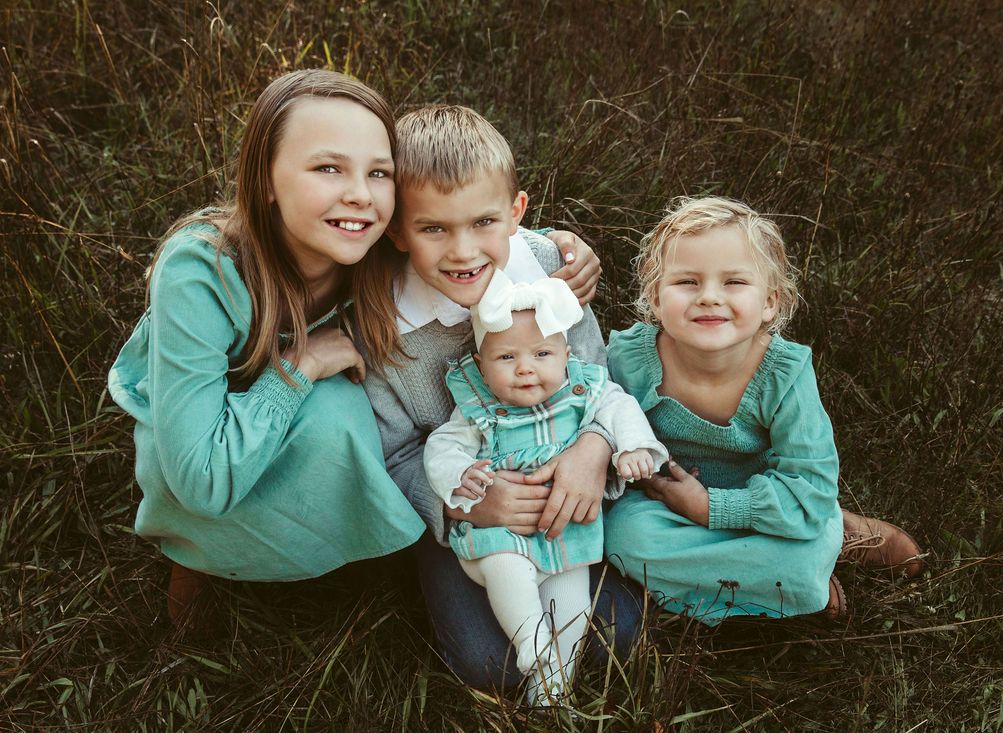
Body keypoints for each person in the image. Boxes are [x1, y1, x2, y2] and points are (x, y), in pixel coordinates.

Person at [107, 70, 426, 625]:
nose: (360, 193)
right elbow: (202, 478)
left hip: (280, 438)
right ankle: (202, 562)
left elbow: (471, 229)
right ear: (265, 182)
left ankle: (328, 558)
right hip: (200, 449)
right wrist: (300, 365)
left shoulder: (375, 245)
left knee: (348, 413)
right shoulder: (200, 271)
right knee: (329, 415)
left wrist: (556, 250)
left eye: (379, 173)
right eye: (329, 168)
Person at [361, 104, 646, 694]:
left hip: (561, 479)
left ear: (516, 213)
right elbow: (394, 455)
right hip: (470, 505)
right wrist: (465, 506)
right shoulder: (381, 324)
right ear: (396, 229)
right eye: (433, 228)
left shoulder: (546, 267)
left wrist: (594, 447)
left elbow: (592, 376)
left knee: (618, 635)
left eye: (483, 222)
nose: (464, 252)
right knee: (488, 664)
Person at [604, 196, 924, 624]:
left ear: (770, 302)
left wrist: (710, 508)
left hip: (761, 509)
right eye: (687, 282)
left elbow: (809, 484)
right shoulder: (629, 359)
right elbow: (594, 423)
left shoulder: (783, 374)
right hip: (665, 507)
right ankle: (790, 582)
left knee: (808, 530)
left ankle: (833, 537)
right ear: (655, 299)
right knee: (623, 537)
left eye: (734, 282)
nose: (709, 298)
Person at [423, 272, 668, 703]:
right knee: (509, 574)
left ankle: (551, 686)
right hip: (499, 535)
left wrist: (631, 448)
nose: (525, 368)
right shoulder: (478, 408)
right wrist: (460, 477)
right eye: (505, 358)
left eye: (541, 353)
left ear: (566, 355)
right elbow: (442, 446)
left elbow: (620, 408)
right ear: (480, 365)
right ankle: (530, 641)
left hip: (563, 531)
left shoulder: (583, 388)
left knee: (572, 611)